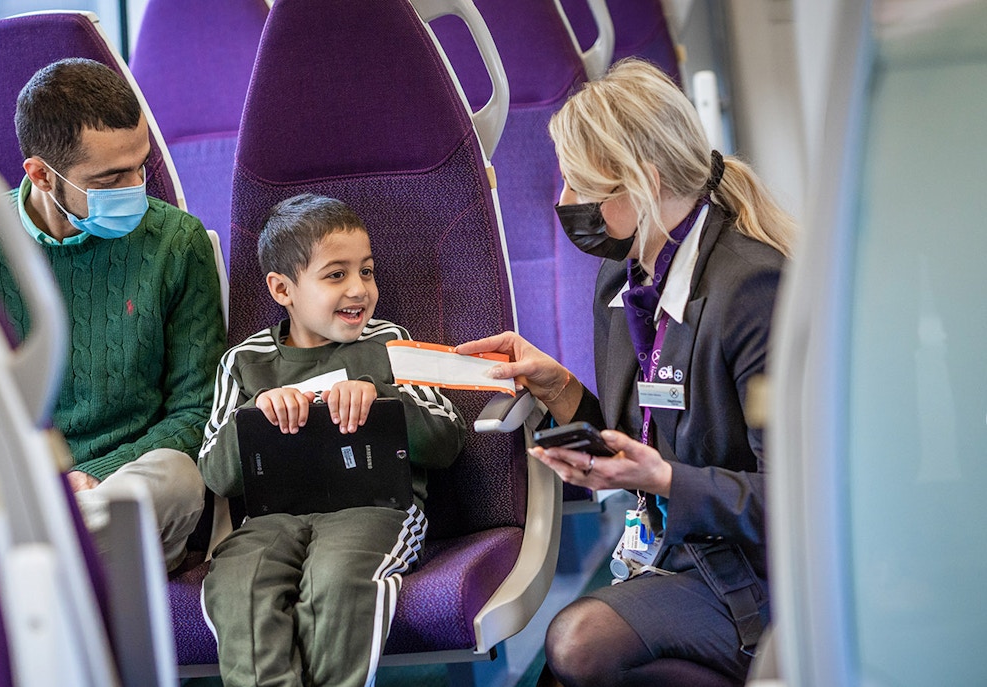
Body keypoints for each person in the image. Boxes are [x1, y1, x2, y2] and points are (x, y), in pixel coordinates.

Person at [458, 59, 796, 686]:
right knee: (570, 668)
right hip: (674, 556)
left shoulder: (750, 288)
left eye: (578, 187)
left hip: (751, 571)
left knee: (578, 643)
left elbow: (792, 501)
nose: (563, 205)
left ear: (642, 181)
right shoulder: (626, 278)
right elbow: (639, 440)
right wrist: (559, 389)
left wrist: (666, 479)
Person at [0, 58, 226, 571]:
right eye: (113, 176)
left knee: (179, 478)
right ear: (40, 175)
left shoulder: (178, 242)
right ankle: (64, 563)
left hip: (130, 483)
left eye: (142, 165)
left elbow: (198, 412)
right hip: (21, 486)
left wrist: (94, 477)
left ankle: (24, 569)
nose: (137, 186)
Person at [197, 193, 465, 687]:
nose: (359, 289)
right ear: (283, 289)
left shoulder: (392, 343)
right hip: (271, 517)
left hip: (374, 507)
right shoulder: (245, 361)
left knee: (337, 580)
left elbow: (447, 437)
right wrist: (256, 417)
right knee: (239, 584)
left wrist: (380, 398)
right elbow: (215, 471)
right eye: (336, 275)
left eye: (366, 271)